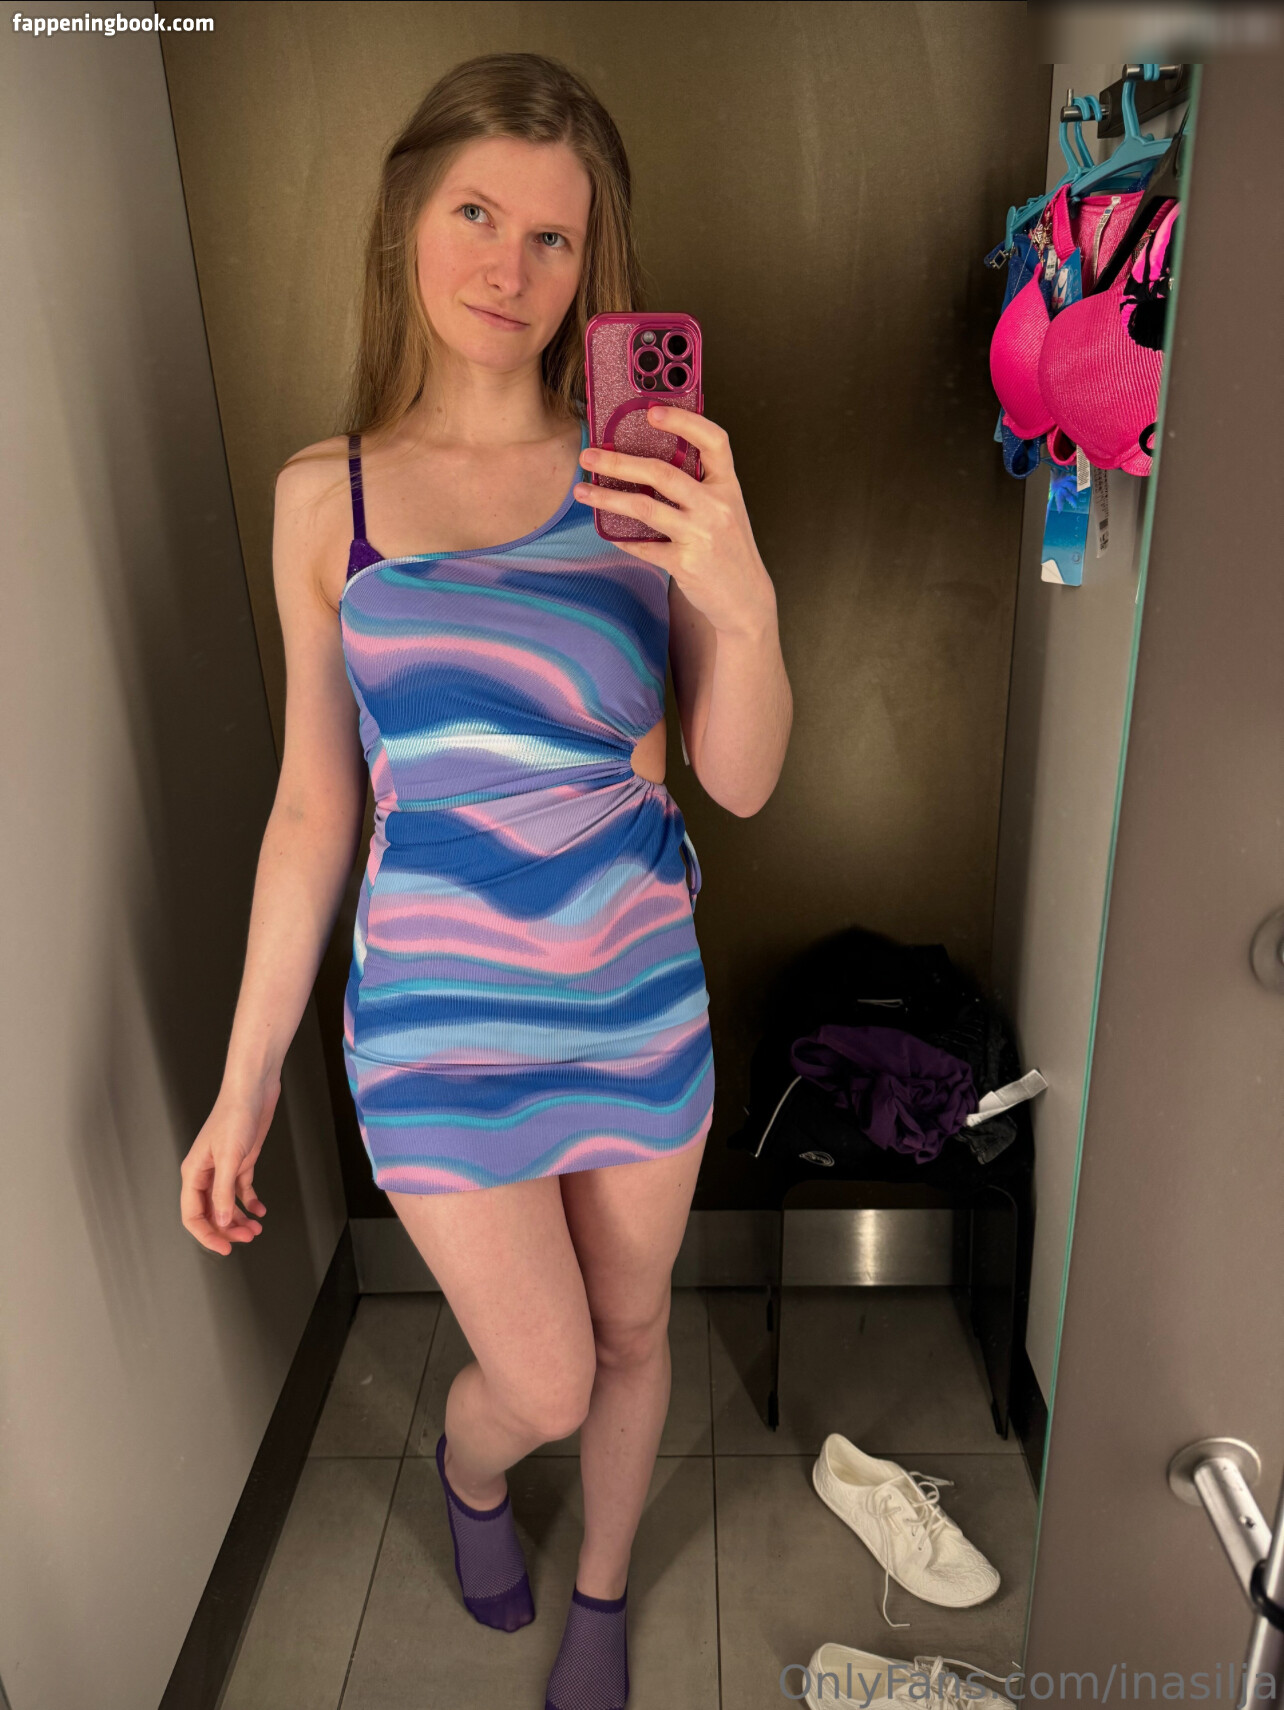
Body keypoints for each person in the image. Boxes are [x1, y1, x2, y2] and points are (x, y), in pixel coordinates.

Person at [180, 50, 791, 1708]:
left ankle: (602, 1588)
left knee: (637, 1332)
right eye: (476, 213)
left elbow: (738, 776)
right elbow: (312, 810)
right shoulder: (325, 500)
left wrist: (741, 598)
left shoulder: (643, 485)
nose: (509, 267)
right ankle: (469, 1467)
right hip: (434, 1031)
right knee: (543, 1374)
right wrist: (246, 1081)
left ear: (594, 267)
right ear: (409, 215)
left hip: (636, 997)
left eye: (553, 238)